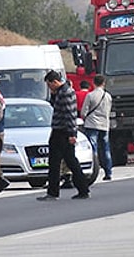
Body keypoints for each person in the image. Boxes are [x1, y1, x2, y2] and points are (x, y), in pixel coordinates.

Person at [37, 70, 90, 201]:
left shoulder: (65, 93)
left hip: (62, 131)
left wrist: (72, 133)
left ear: (55, 82)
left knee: (56, 162)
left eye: (50, 85)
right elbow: (56, 106)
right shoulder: (62, 91)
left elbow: (70, 114)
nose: (50, 88)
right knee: (70, 161)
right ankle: (83, 189)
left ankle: (53, 192)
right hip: (62, 130)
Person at [81, 74, 113, 181]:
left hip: (92, 124)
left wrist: (85, 117)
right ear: (103, 83)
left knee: (93, 148)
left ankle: (94, 170)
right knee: (106, 148)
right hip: (104, 124)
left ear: (93, 83)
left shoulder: (90, 95)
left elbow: (84, 112)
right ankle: (108, 172)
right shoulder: (108, 96)